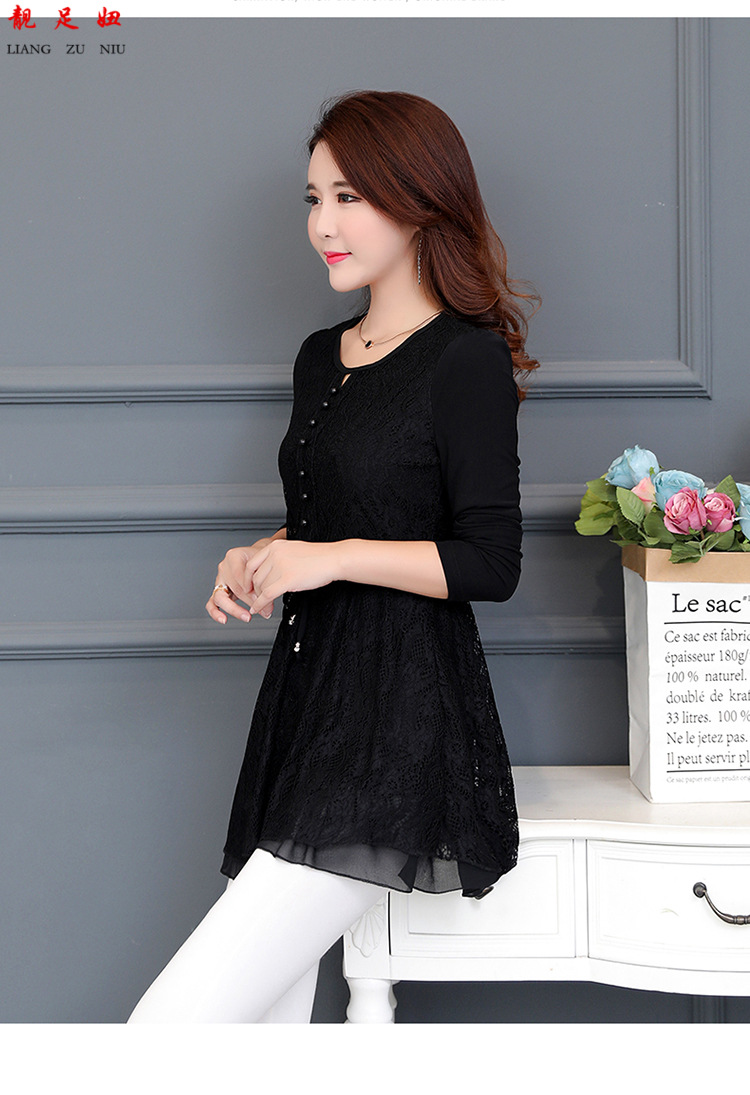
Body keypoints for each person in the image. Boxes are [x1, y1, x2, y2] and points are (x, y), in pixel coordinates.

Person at [128, 90, 539, 1024]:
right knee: (269, 1031)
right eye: (314, 198)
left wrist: (332, 557)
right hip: (308, 706)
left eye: (349, 197)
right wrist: (265, 552)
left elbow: (491, 562)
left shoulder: (463, 360)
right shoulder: (321, 355)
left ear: (419, 198)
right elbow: (331, 520)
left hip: (397, 724)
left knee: (171, 1028)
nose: (323, 224)